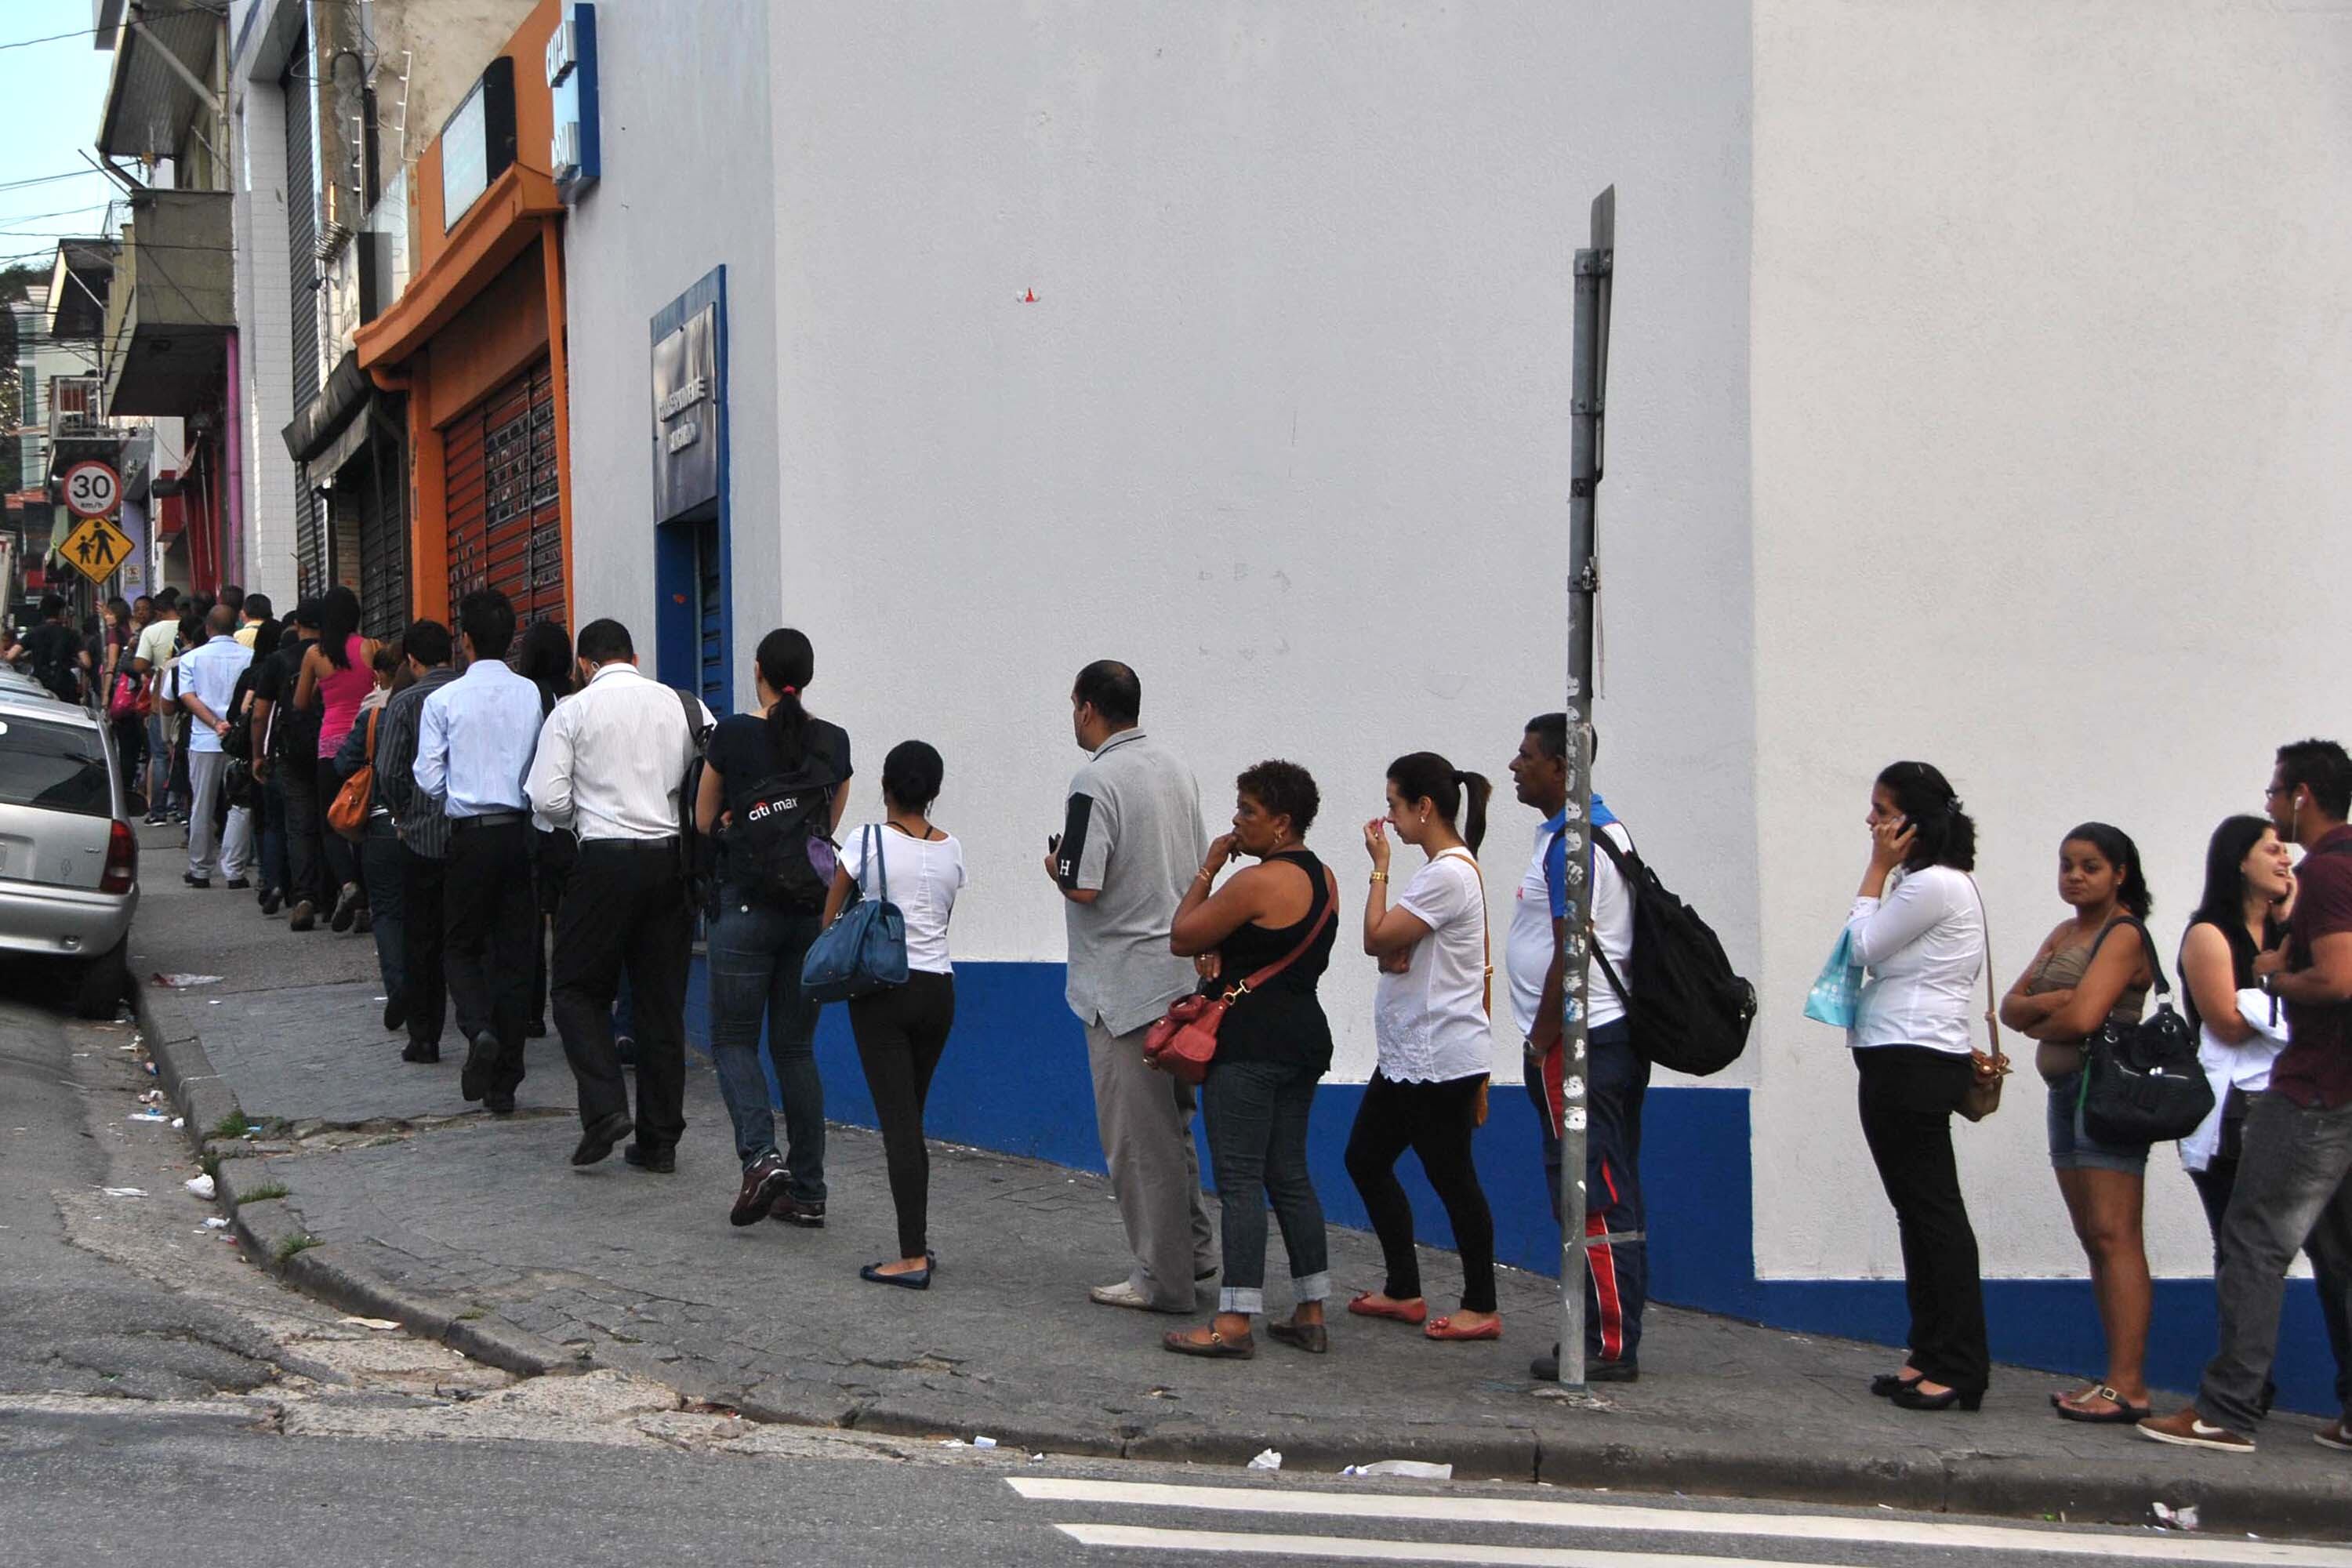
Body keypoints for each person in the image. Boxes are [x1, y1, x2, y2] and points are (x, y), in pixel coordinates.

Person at [2145, 740, 2352, 1455]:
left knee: (2253, 1240)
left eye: (2274, 792)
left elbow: (2336, 979)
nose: (2269, 804)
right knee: (2340, 1251)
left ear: (2302, 796)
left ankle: (2228, 1410)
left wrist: (2273, 975)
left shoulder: (2327, 871)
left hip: (2315, 1088)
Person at [1049, 660, 1215, 1312]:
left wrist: (1054, 866)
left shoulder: (1094, 780)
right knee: (1171, 1134)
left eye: (1074, 706)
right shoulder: (1176, 769)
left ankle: (1163, 1279)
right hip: (1176, 975)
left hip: (1121, 990)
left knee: (1136, 1144)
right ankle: (1194, 1254)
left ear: (1089, 708)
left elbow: (1083, 881)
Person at [1161, 760, 1337, 1357]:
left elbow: (1183, 933)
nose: (1237, 822)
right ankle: (1311, 1310)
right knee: (1289, 1174)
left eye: (1249, 812)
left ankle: (1234, 1322)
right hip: (1305, 1039)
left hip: (1250, 1045)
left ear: (1282, 823)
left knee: (1239, 1182)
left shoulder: (1256, 882)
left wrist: (1209, 867)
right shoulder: (1327, 879)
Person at [527, 618, 707, 1170]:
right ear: (633, 655)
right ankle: (659, 1141)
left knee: (577, 991)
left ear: (585, 664)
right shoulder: (686, 706)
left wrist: (589, 812)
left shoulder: (572, 712)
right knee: (660, 1006)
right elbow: (710, 779)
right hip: (670, 864)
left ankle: (606, 1106)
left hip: (602, 863)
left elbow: (547, 800)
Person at [1845, 761, 1992, 1413]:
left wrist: (1875, 871)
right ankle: (1930, 1351)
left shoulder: (1931, 884)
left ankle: (1959, 1362)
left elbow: (1861, 948)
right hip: (1900, 1055)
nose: (1872, 823)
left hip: (1913, 1057)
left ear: (1912, 821)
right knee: (1918, 1211)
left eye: (1882, 811)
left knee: (1934, 1212)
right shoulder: (1930, 885)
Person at [2002, 822, 2157, 1424]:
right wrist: (2048, 1010)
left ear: (2120, 873)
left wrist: (2047, 1015)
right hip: (2066, 1092)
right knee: (2094, 1236)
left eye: (2090, 866)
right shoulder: (2065, 933)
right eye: (2066, 864)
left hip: (2106, 1096)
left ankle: (2129, 1385)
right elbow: (2011, 1005)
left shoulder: (2122, 934)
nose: (2074, 875)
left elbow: (2088, 1015)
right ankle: (2114, 1378)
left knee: (2117, 1236)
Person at [695, 628, 851, 1221]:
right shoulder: (834, 743)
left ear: (756, 669)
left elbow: (705, 820)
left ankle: (761, 1158)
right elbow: (826, 830)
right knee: (795, 1049)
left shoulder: (732, 734)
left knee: (734, 1040)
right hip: (808, 914)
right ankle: (809, 1193)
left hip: (744, 908)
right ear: (806, 675)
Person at [1508, 714, 1645, 1383]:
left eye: (1527, 755)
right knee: (1589, 1190)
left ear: (1562, 769)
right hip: (1589, 1039)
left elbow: (1572, 952)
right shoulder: (1585, 833)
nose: (1515, 765)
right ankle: (1594, 1331)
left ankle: (1608, 1343)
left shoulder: (1578, 841)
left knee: (1593, 1193)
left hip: (1579, 1042)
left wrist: (1541, 1040)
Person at [1348, 751, 1501, 1341]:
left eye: (1394, 805)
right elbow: (1396, 948)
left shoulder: (1446, 873)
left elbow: (1376, 938)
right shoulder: (1444, 871)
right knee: (1365, 1158)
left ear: (1424, 806)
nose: (1389, 818)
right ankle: (1403, 1289)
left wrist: (1379, 869)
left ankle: (1481, 1304)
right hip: (1410, 1056)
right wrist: (1393, 943)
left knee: (1453, 1178)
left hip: (1439, 1057)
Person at [823, 741, 965, 1288]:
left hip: (885, 992)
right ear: (933, 791)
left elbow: (831, 914)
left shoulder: (865, 840)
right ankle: (917, 1239)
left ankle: (910, 1256)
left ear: (886, 785)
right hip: (939, 990)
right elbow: (943, 916)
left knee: (899, 1128)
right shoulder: (953, 849)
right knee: (912, 1120)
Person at [415, 590, 542, 1115]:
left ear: (464, 641)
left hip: (470, 834)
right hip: (520, 831)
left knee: (461, 946)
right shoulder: (532, 694)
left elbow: (426, 774)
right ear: (510, 640)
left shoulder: (442, 700)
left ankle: (478, 1027)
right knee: (515, 955)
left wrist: (457, 793)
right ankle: (505, 1082)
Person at [373, 620, 458, 1058]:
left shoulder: (404, 703)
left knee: (422, 939)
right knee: (472, 938)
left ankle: (425, 1036)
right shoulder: (471, 693)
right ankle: (482, 1025)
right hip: (473, 836)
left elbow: (387, 771)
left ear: (411, 660)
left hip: (422, 836)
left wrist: (405, 813)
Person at [293, 586, 380, 932]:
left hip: (330, 746)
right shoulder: (372, 648)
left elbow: (300, 703)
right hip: (366, 744)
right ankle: (367, 905)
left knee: (332, 821)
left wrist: (323, 690)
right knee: (365, 821)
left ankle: (348, 885)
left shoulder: (315, 654)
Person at [337, 639, 411, 1026]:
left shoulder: (374, 716)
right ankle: (427, 987)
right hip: (430, 827)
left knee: (387, 913)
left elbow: (341, 763)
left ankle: (399, 987)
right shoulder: (438, 708)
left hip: (382, 825)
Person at [516, 619, 578, 1040]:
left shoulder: (526, 697)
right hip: (574, 822)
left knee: (532, 920)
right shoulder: (578, 698)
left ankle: (532, 1011)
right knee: (571, 917)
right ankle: (571, 1002)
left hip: (535, 818)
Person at [254, 600, 324, 927]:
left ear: (297, 624)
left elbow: (259, 714)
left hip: (292, 751)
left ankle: (304, 895)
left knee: (298, 826)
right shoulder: (337, 656)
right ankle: (337, 891)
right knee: (333, 821)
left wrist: (259, 754)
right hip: (333, 747)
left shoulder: (279, 661)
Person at [175, 605, 253, 889]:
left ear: (208, 628)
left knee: (202, 804)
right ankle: (234, 870)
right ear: (235, 628)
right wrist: (232, 724)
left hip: (205, 740)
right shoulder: (250, 657)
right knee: (240, 803)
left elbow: (187, 696)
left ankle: (200, 869)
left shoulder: (191, 658)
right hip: (240, 741)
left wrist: (214, 722)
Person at [230, 620, 285, 906]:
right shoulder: (304, 664)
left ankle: (268, 876)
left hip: (265, 753)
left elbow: (241, 713)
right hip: (297, 753)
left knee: (266, 820)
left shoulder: (256, 673)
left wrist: (256, 754)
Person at [24, 595, 89, 704]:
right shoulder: (71, 634)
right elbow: (87, 663)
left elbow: (11, 656)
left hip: (40, 687)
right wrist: (74, 662)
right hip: (65, 688)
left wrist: (28, 658)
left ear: (43, 613)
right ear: (61, 612)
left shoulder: (33, 633)